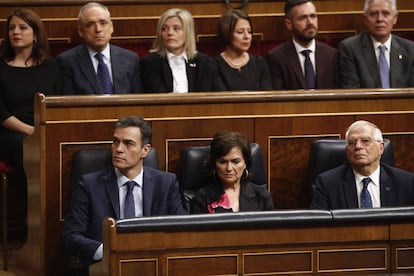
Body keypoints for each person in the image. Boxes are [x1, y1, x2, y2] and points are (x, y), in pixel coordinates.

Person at [62, 116, 187, 268]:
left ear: (145, 150)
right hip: (106, 266)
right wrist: (109, 252)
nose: (119, 149)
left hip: (154, 265)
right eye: (115, 142)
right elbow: (71, 236)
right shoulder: (89, 185)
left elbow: (182, 231)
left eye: (128, 143)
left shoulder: (166, 184)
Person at [0, 8, 60, 243]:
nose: (16, 32)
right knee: (31, 151)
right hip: (9, 133)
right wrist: (30, 131)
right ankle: (33, 227)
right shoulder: (1, 66)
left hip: (44, 130)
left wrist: (43, 131)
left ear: (35, 35)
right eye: (12, 28)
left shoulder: (51, 66)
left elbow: (58, 101)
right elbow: (1, 112)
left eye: (23, 28)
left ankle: (55, 222)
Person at [311, 120, 414, 210]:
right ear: (347, 150)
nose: (358, 146)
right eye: (352, 142)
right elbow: (318, 225)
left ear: (381, 148)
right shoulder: (328, 184)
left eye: (365, 141)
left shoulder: (406, 182)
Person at [56, 2, 142, 94]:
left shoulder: (131, 59)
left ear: (111, 27)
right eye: (90, 24)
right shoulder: (67, 62)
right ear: (80, 31)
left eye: (103, 23)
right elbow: (68, 104)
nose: (98, 29)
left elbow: (139, 100)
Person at [191, 131, 274, 213]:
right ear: (215, 163)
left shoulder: (262, 196)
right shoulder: (203, 198)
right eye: (222, 162)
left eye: (236, 162)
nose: (229, 168)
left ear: (245, 163)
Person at [339, 0, 414, 88]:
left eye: (386, 13)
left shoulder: (410, 50)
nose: (380, 19)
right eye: (374, 14)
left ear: (395, 18)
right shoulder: (350, 49)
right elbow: (352, 93)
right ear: (365, 19)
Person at [266, 0, 338, 90]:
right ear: (289, 24)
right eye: (302, 18)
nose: (310, 22)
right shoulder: (277, 58)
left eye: (313, 16)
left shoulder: (332, 55)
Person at [140, 8, 212, 93]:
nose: (170, 33)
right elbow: (157, 96)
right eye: (164, 29)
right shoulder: (150, 62)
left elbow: (205, 96)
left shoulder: (203, 61)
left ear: (187, 32)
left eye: (176, 28)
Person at [209, 9, 272, 91]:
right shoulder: (214, 65)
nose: (247, 36)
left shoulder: (259, 63)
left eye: (249, 32)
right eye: (240, 32)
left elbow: (268, 97)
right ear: (227, 33)